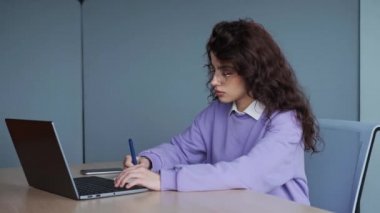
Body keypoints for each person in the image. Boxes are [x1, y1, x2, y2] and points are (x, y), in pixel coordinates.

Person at [114, 18, 319, 205]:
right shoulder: (217, 112)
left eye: (226, 72)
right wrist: (149, 161)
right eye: (213, 69)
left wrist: (164, 179)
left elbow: (247, 175)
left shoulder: (287, 122)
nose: (214, 81)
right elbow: (182, 149)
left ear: (253, 71)